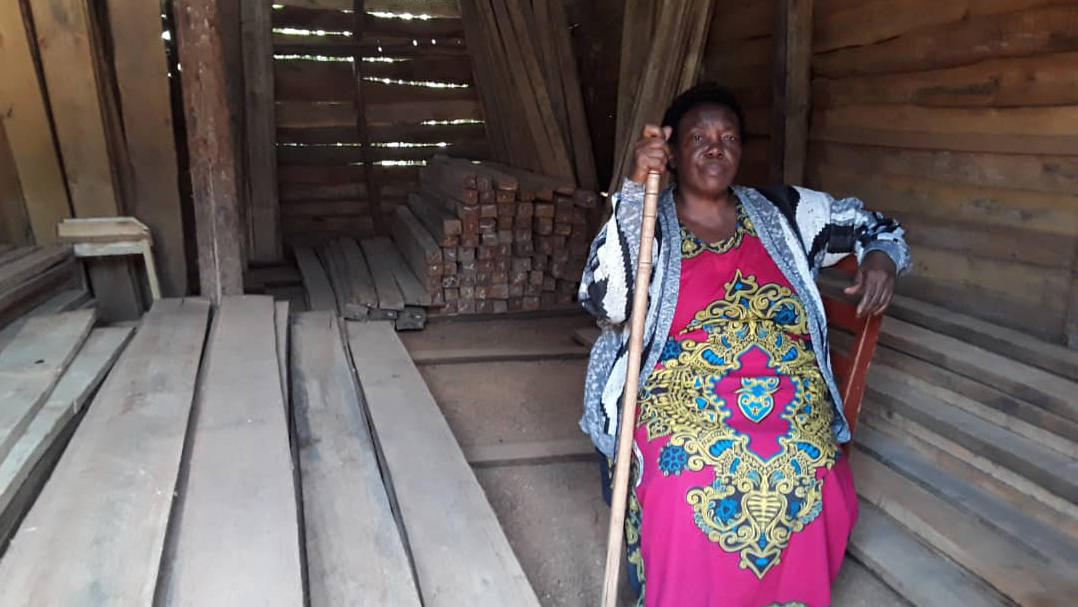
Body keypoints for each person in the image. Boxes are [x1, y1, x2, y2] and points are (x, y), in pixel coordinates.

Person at [579, 83, 910, 607]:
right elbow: (606, 302)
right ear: (672, 150)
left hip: (786, 394)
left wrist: (880, 259)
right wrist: (636, 190)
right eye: (699, 137)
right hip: (679, 394)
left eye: (728, 137)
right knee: (686, 478)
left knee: (809, 472)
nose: (715, 148)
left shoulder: (785, 210)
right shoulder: (648, 220)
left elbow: (875, 225)